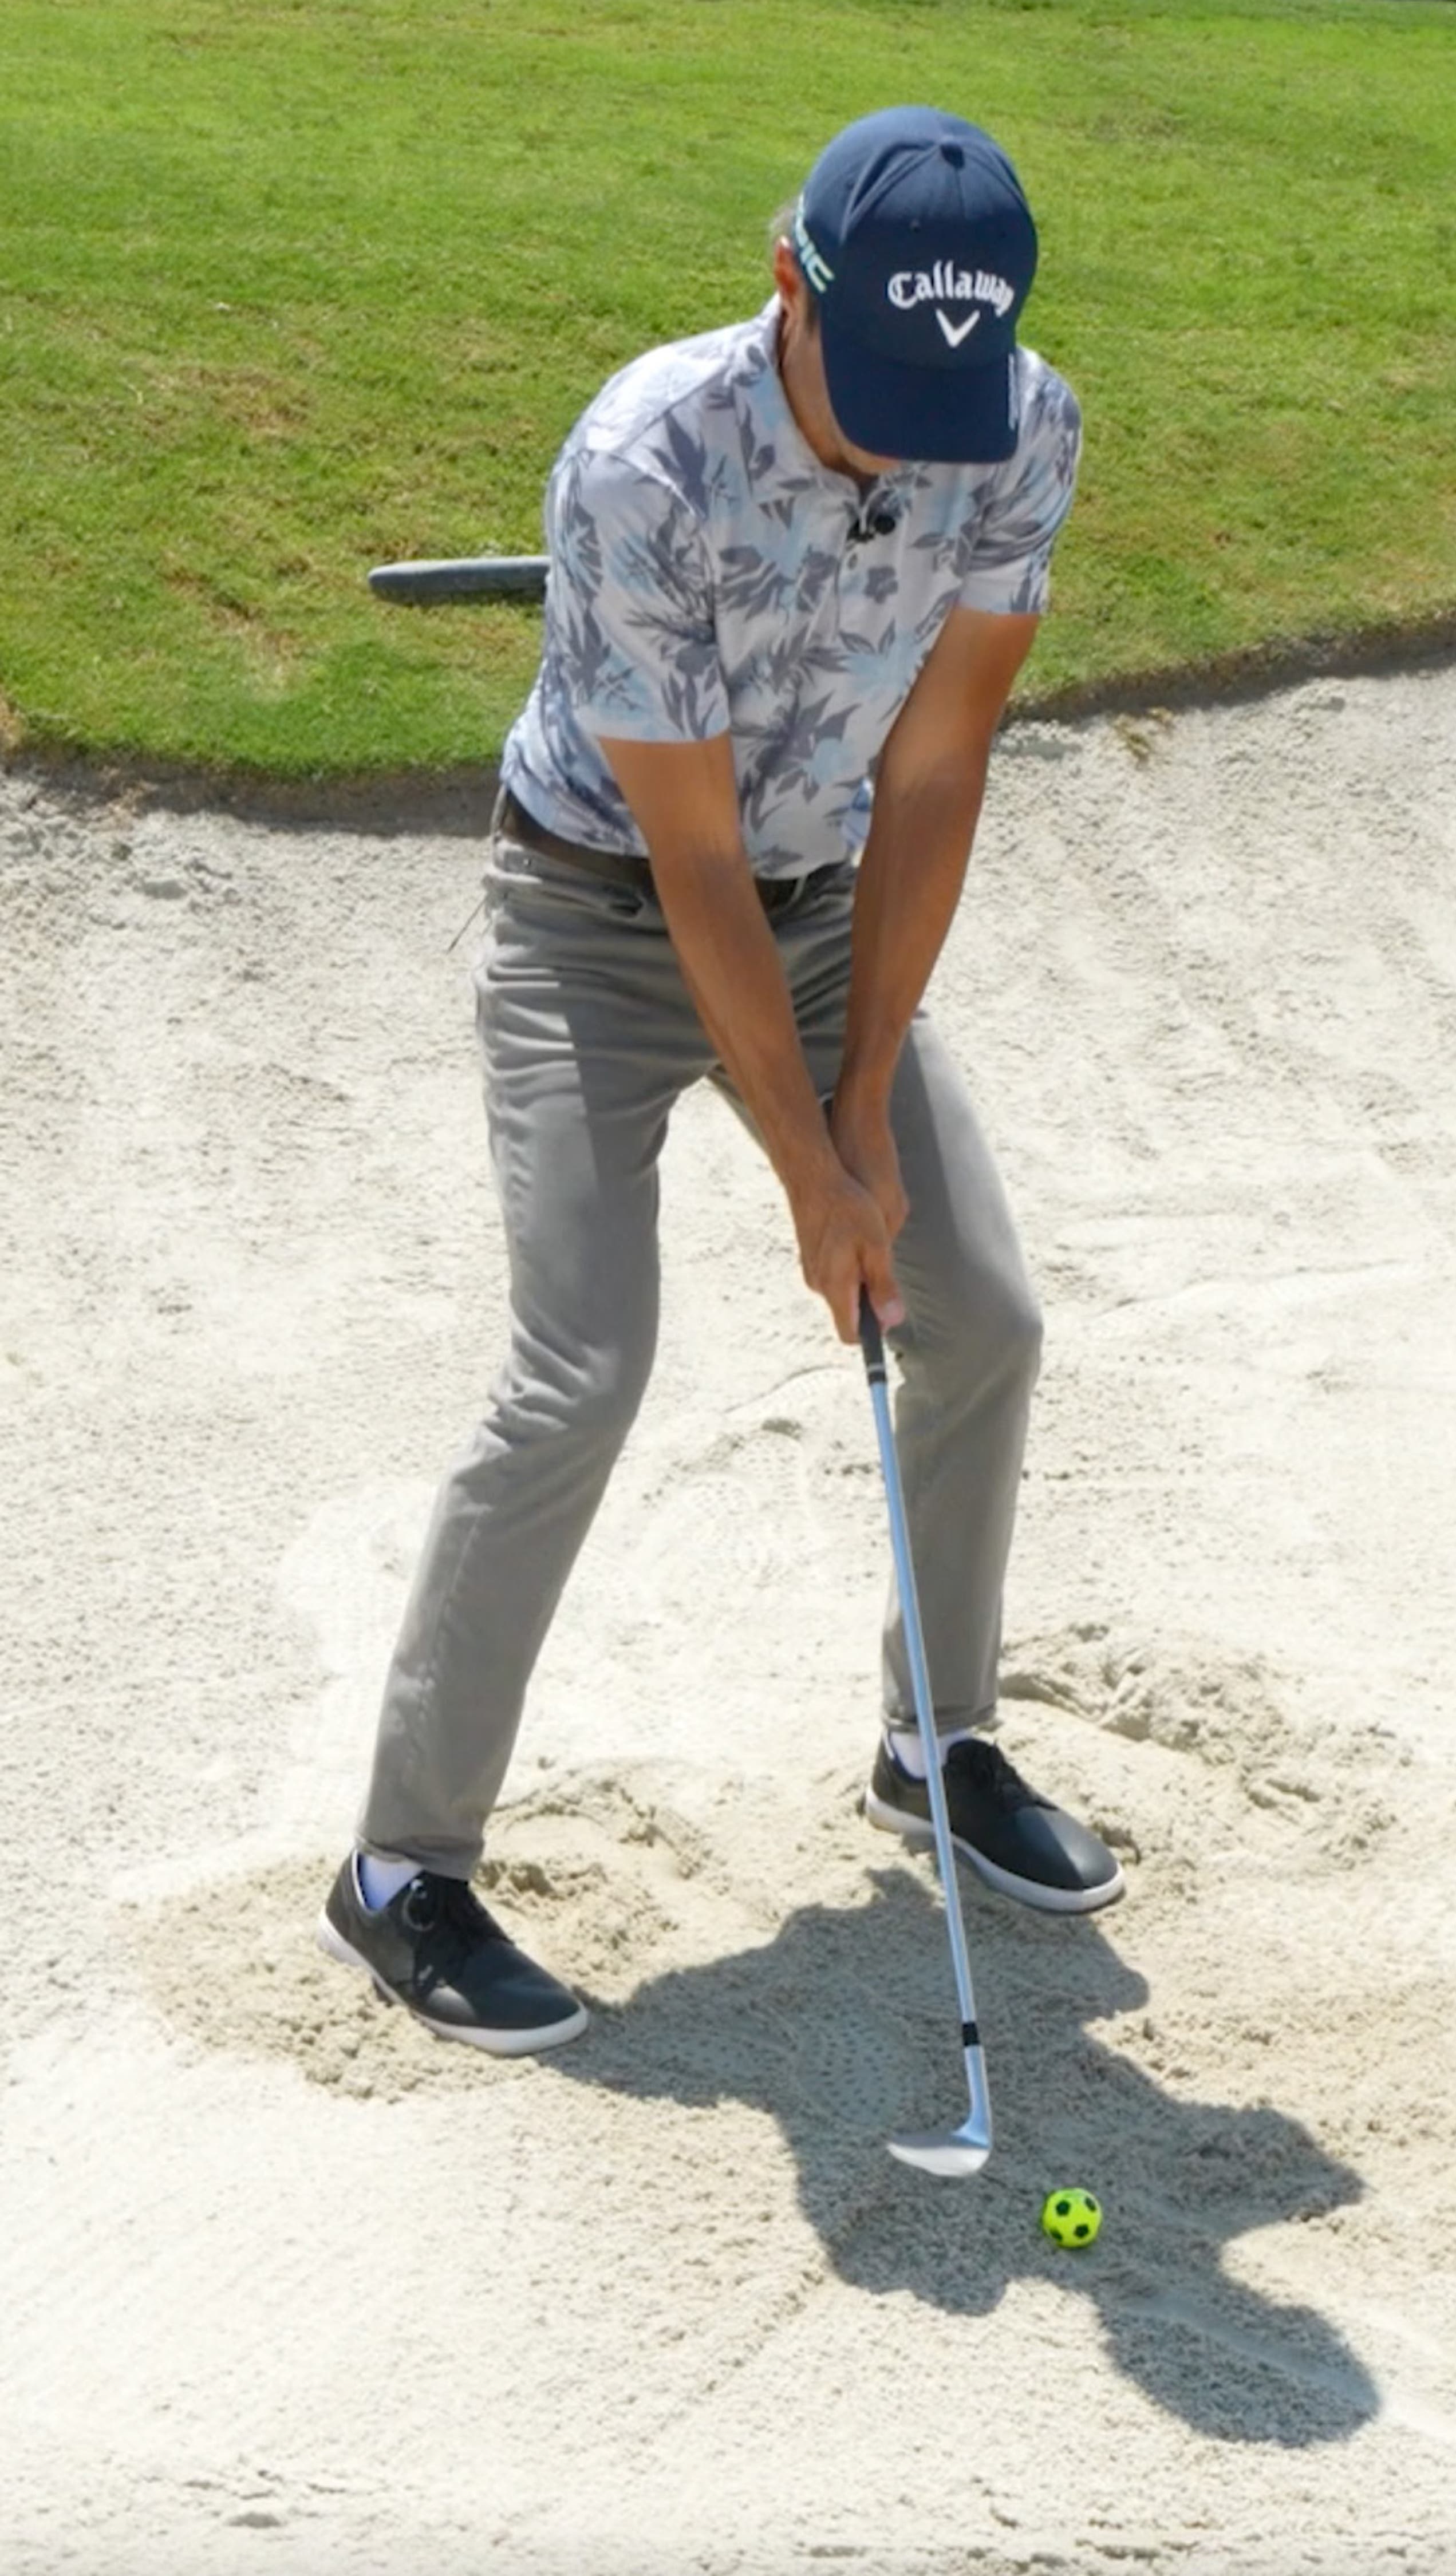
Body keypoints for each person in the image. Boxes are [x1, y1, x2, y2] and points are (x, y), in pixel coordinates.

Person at [317, 103, 1124, 2056]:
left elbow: (935, 777)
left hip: (833, 890)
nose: (899, 433)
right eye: (872, 387)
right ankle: (400, 1867)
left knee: (985, 1312)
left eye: (943, 391)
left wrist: (864, 1123)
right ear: (790, 281)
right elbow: (683, 866)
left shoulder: (1022, 426)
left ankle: (934, 1740)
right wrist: (807, 1169)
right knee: (580, 1362)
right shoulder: (639, 461)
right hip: (596, 908)